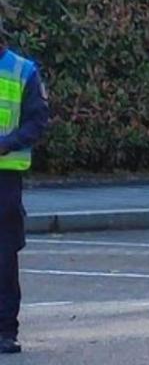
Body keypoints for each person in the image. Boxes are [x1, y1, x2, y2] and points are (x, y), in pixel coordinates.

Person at [0, 18, 50, 354]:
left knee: (3, 257)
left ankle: (5, 331)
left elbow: (38, 120)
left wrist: (6, 143)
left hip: (5, 178)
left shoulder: (22, 70)